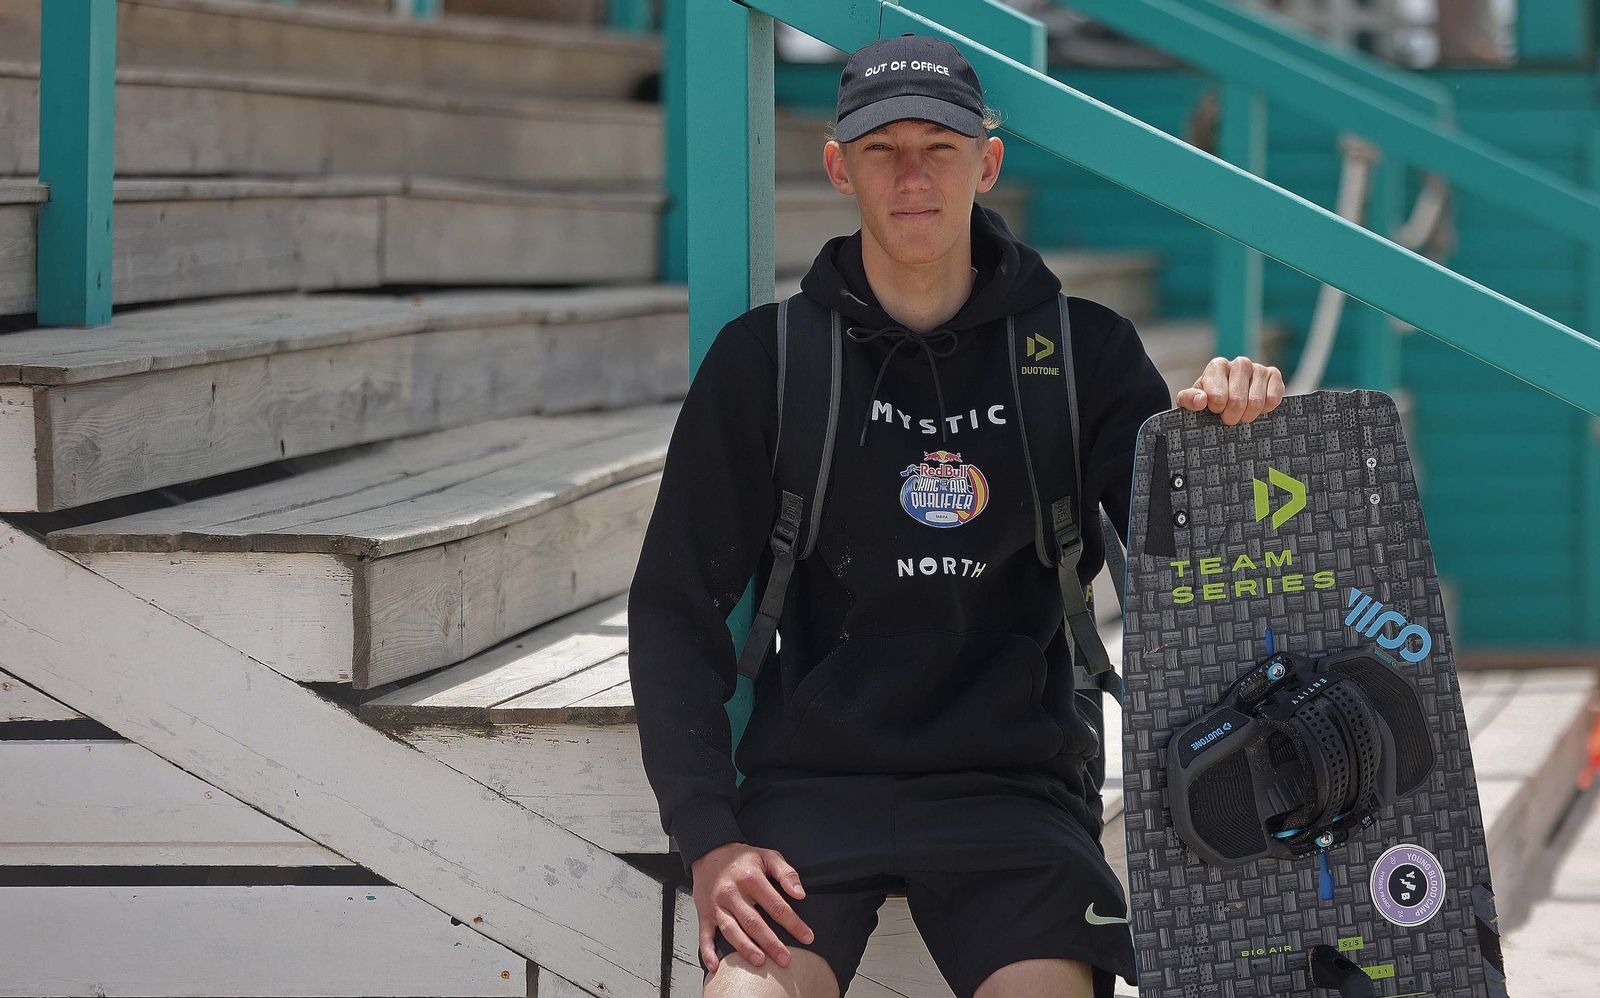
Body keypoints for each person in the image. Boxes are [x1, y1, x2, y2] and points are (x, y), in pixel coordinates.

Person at [627, 33, 1284, 998]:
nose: (912, 176)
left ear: (987, 162)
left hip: (1015, 790)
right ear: (838, 166)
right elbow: (674, 604)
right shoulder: (769, 360)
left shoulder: (1084, 353)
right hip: (813, 788)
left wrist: (1227, 442)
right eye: (882, 149)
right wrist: (708, 838)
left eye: (939, 147)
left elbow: (1194, 561)